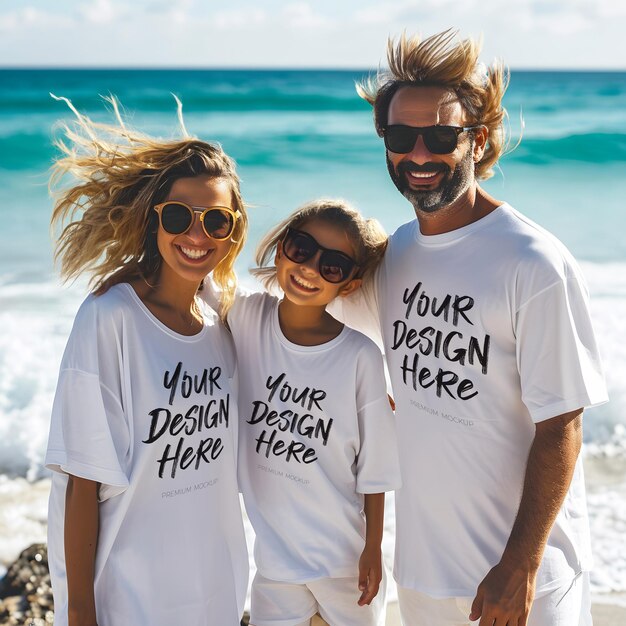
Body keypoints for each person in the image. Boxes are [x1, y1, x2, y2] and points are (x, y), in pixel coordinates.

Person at [331, 30, 609, 625]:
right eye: (402, 137)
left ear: (476, 140)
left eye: (440, 136)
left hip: (520, 583)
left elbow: (562, 422)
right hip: (424, 577)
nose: (420, 155)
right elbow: (308, 316)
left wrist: (521, 565)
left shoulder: (532, 262)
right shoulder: (398, 253)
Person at [44, 98, 249, 626]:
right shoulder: (109, 318)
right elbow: (81, 479)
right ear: (154, 218)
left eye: (216, 220)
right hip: (128, 595)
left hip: (215, 588)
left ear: (234, 229)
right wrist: (80, 612)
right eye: (179, 215)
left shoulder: (226, 316)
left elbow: (309, 314)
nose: (197, 235)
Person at [220, 199, 402, 626]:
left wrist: (373, 547)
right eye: (302, 249)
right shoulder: (245, 317)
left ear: (350, 285)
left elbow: (374, 469)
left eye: (333, 266)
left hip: (345, 563)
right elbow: (187, 286)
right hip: (273, 563)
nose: (310, 269)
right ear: (283, 248)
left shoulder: (360, 357)